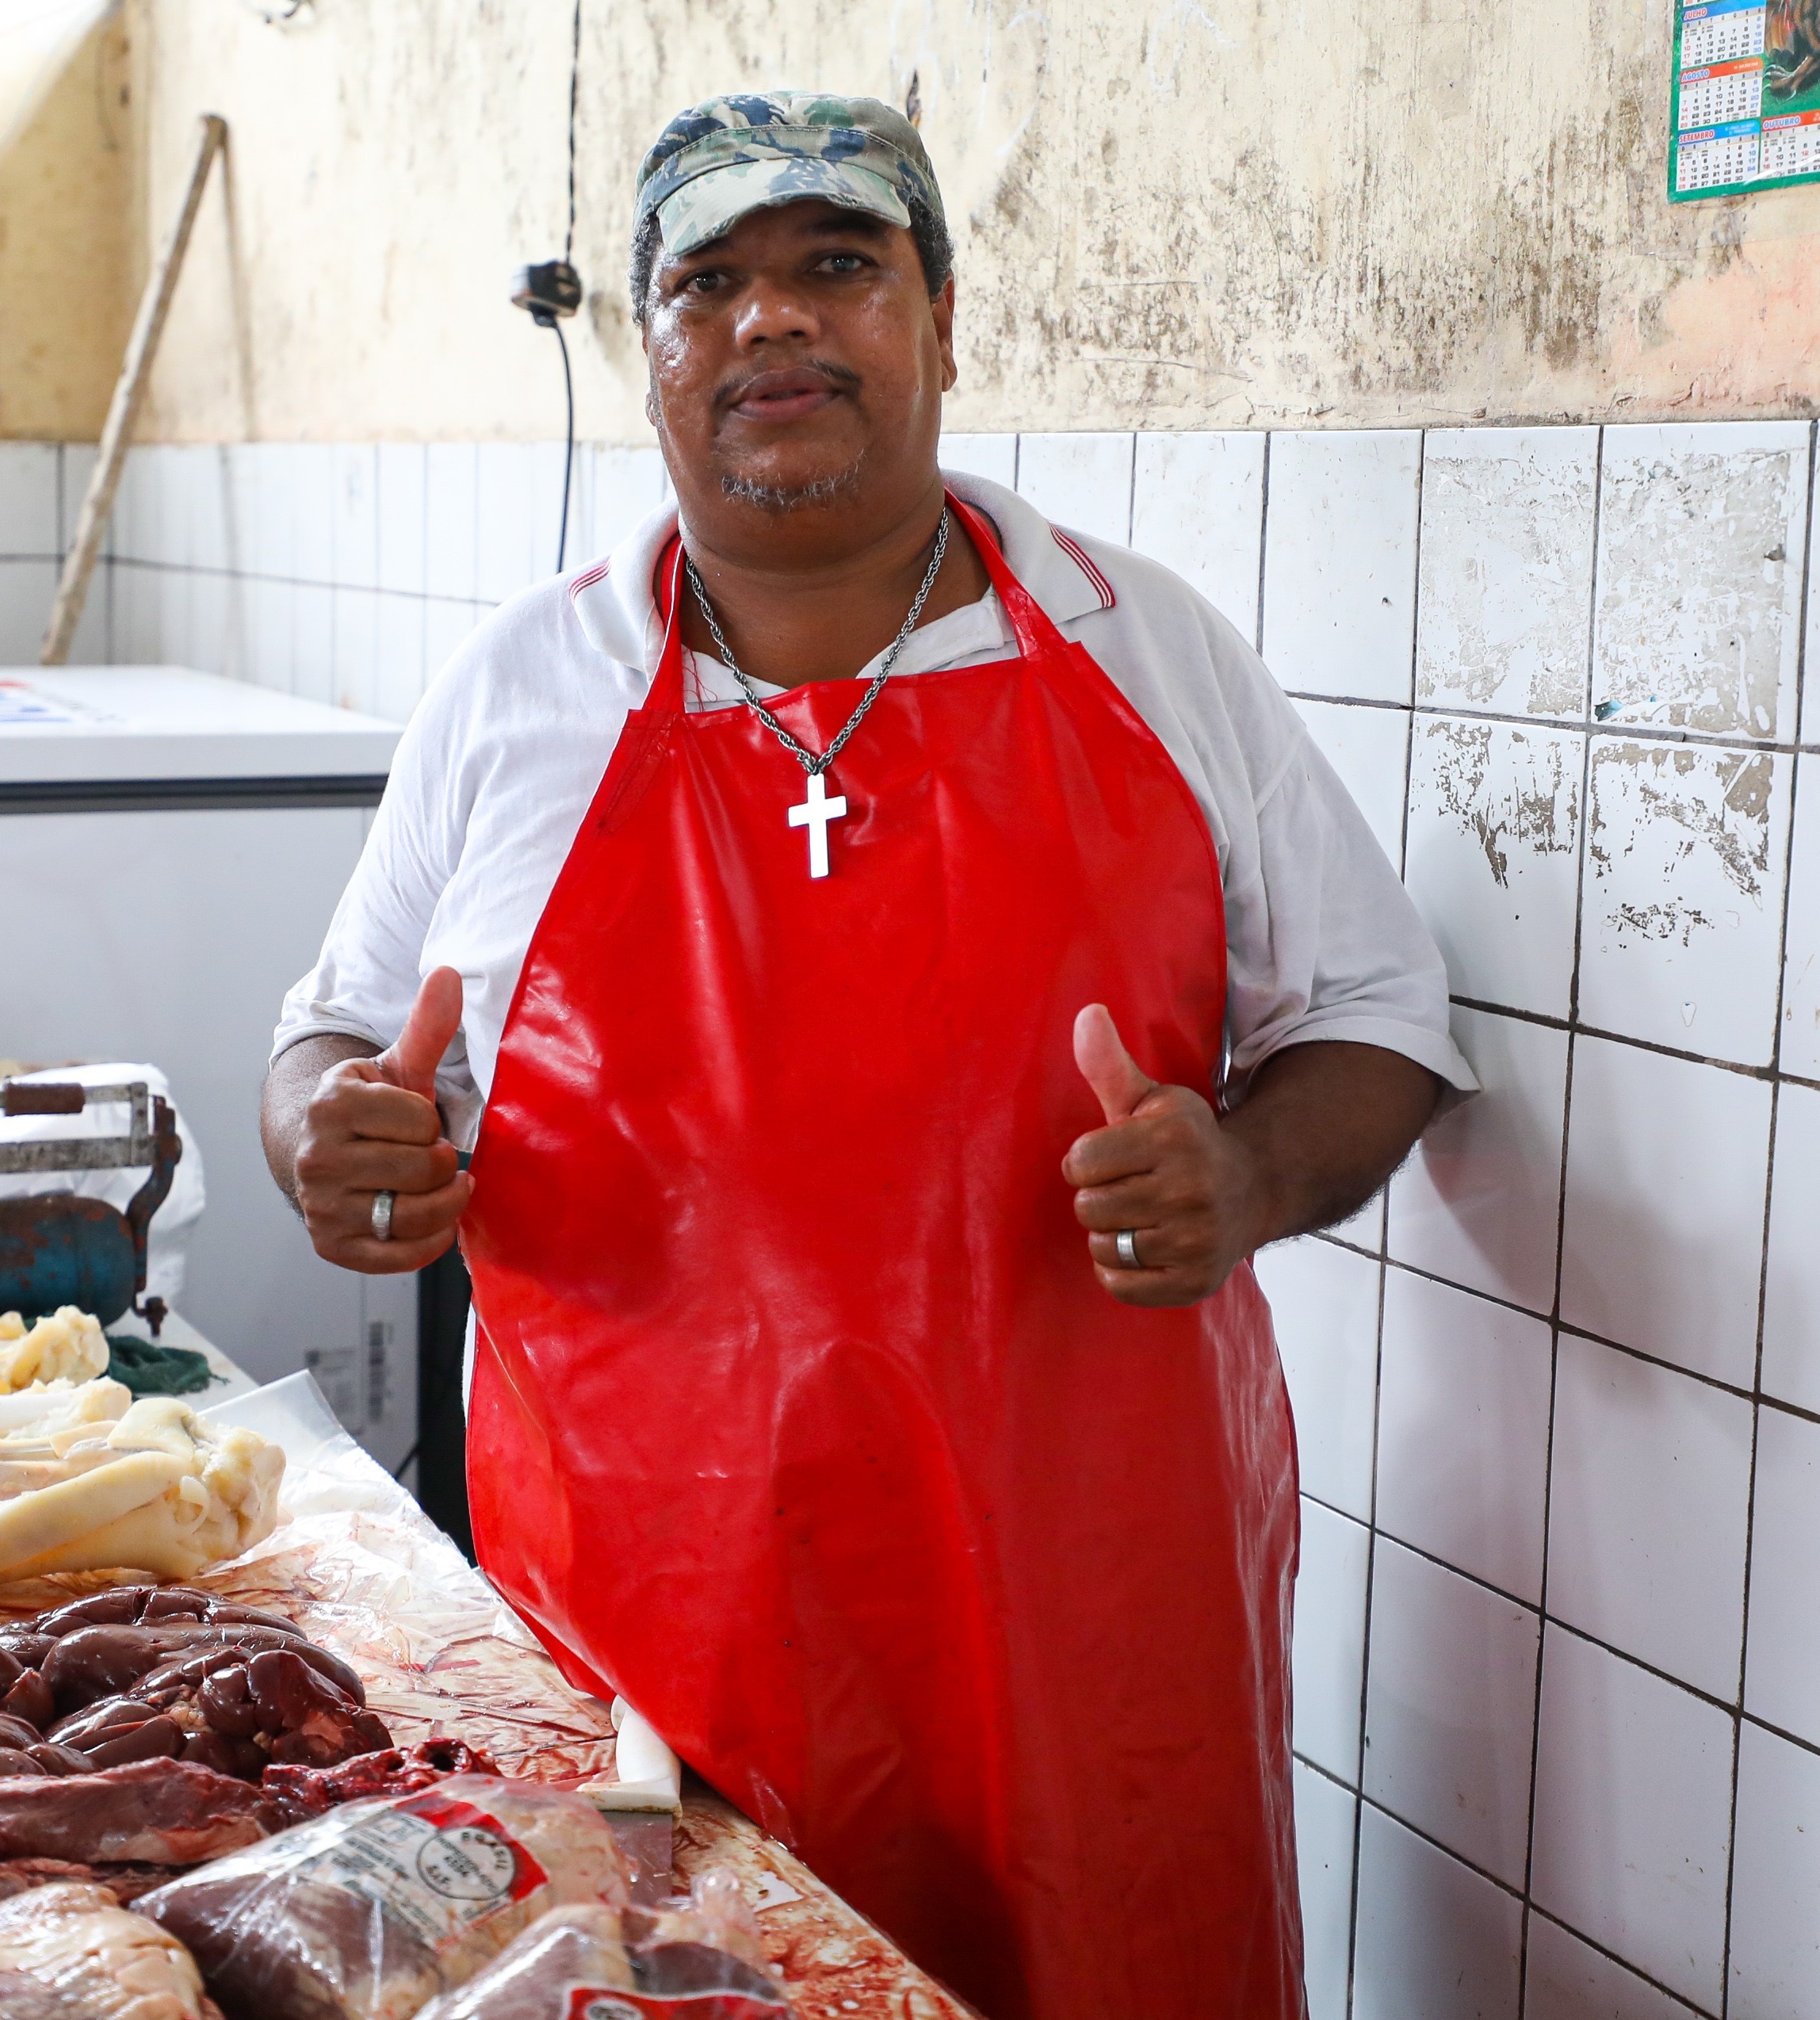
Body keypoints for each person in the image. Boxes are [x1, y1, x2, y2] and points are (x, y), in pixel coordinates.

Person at [258, 93, 1468, 2020]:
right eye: (707, 284)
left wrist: (1239, 1175)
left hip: (1084, 1614)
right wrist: (336, 1131)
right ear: (644, 350)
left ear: (940, 319)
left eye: (836, 266)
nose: (770, 324)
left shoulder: (1144, 653)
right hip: (638, 1619)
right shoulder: (518, 693)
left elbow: (1374, 1018)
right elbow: (334, 1024)